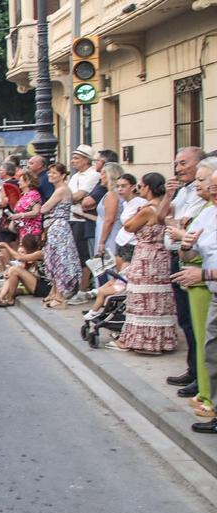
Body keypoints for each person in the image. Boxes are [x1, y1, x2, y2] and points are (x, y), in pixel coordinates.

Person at [170, 159, 217, 417]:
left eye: (212, 184)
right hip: (210, 288)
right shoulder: (209, 212)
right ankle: (211, 403)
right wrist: (186, 246)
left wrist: (203, 274)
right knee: (210, 349)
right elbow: (189, 255)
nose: (212, 190)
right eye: (211, 186)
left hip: (206, 281)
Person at [112, 172, 176, 354]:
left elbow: (129, 226)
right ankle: (162, 341)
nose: (140, 190)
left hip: (146, 256)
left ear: (148, 188)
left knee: (143, 299)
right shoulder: (166, 206)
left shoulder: (148, 209)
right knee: (159, 299)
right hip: (162, 256)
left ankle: (142, 341)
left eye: (141, 186)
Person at [165, 147, 206, 395]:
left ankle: (201, 378)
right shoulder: (182, 191)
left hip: (199, 268)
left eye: (183, 163)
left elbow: (194, 232)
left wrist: (182, 233)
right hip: (179, 258)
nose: (178, 168)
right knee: (186, 321)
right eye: (176, 164)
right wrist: (168, 197)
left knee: (196, 324)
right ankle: (194, 370)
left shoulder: (204, 200)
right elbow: (165, 219)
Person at [37, 164, 81, 308]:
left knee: (59, 260)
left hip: (58, 228)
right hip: (56, 227)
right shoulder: (62, 189)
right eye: (49, 172)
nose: (50, 175)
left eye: (54, 173)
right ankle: (56, 293)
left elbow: (44, 208)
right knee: (54, 260)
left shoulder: (61, 190)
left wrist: (44, 208)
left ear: (62, 175)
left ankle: (60, 296)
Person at [67, 146, 101, 289]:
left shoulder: (93, 175)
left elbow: (78, 196)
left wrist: (68, 198)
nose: (73, 161)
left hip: (83, 219)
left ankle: (84, 287)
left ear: (86, 160)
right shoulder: (75, 176)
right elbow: (71, 196)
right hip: (72, 217)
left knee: (84, 255)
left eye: (76, 158)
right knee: (74, 254)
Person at [0, 235, 49, 307]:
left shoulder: (40, 253)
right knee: (12, 272)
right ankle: (2, 297)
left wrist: (6, 246)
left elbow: (19, 258)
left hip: (44, 287)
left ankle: (9, 300)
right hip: (38, 282)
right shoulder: (35, 254)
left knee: (14, 270)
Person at [113, 173, 145, 269]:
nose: (120, 189)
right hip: (121, 242)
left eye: (123, 186)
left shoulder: (140, 203)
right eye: (118, 186)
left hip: (132, 243)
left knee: (125, 275)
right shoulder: (125, 203)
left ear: (132, 187)